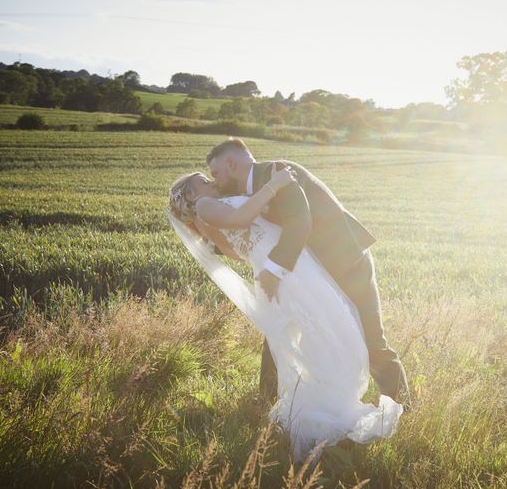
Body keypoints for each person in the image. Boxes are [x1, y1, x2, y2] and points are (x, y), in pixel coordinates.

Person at [166, 166, 402, 462]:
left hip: (282, 268)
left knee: (314, 330)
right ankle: (331, 407)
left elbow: (243, 247)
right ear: (191, 195)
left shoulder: (209, 218)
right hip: (286, 272)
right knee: (331, 326)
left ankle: (318, 401)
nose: (211, 181)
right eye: (202, 180)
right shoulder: (204, 206)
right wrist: (274, 184)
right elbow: (242, 218)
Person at [204, 138, 411, 408]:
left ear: (231, 164)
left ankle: (405, 407)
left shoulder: (278, 173)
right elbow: (251, 234)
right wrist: (204, 233)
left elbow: (300, 221)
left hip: (346, 266)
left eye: (216, 173)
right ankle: (267, 402)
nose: (216, 182)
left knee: (372, 343)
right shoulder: (255, 191)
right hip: (310, 276)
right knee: (279, 330)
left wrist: (273, 271)